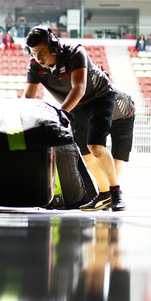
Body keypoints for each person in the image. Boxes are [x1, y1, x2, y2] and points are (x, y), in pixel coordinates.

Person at [23, 26, 125, 211]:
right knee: (86, 155)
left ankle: (116, 192)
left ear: (53, 46)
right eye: (34, 53)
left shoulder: (75, 51)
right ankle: (104, 195)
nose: (38, 58)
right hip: (77, 106)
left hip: (100, 97)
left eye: (42, 52)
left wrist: (59, 114)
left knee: (95, 146)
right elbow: (29, 97)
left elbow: (79, 88)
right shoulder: (35, 65)